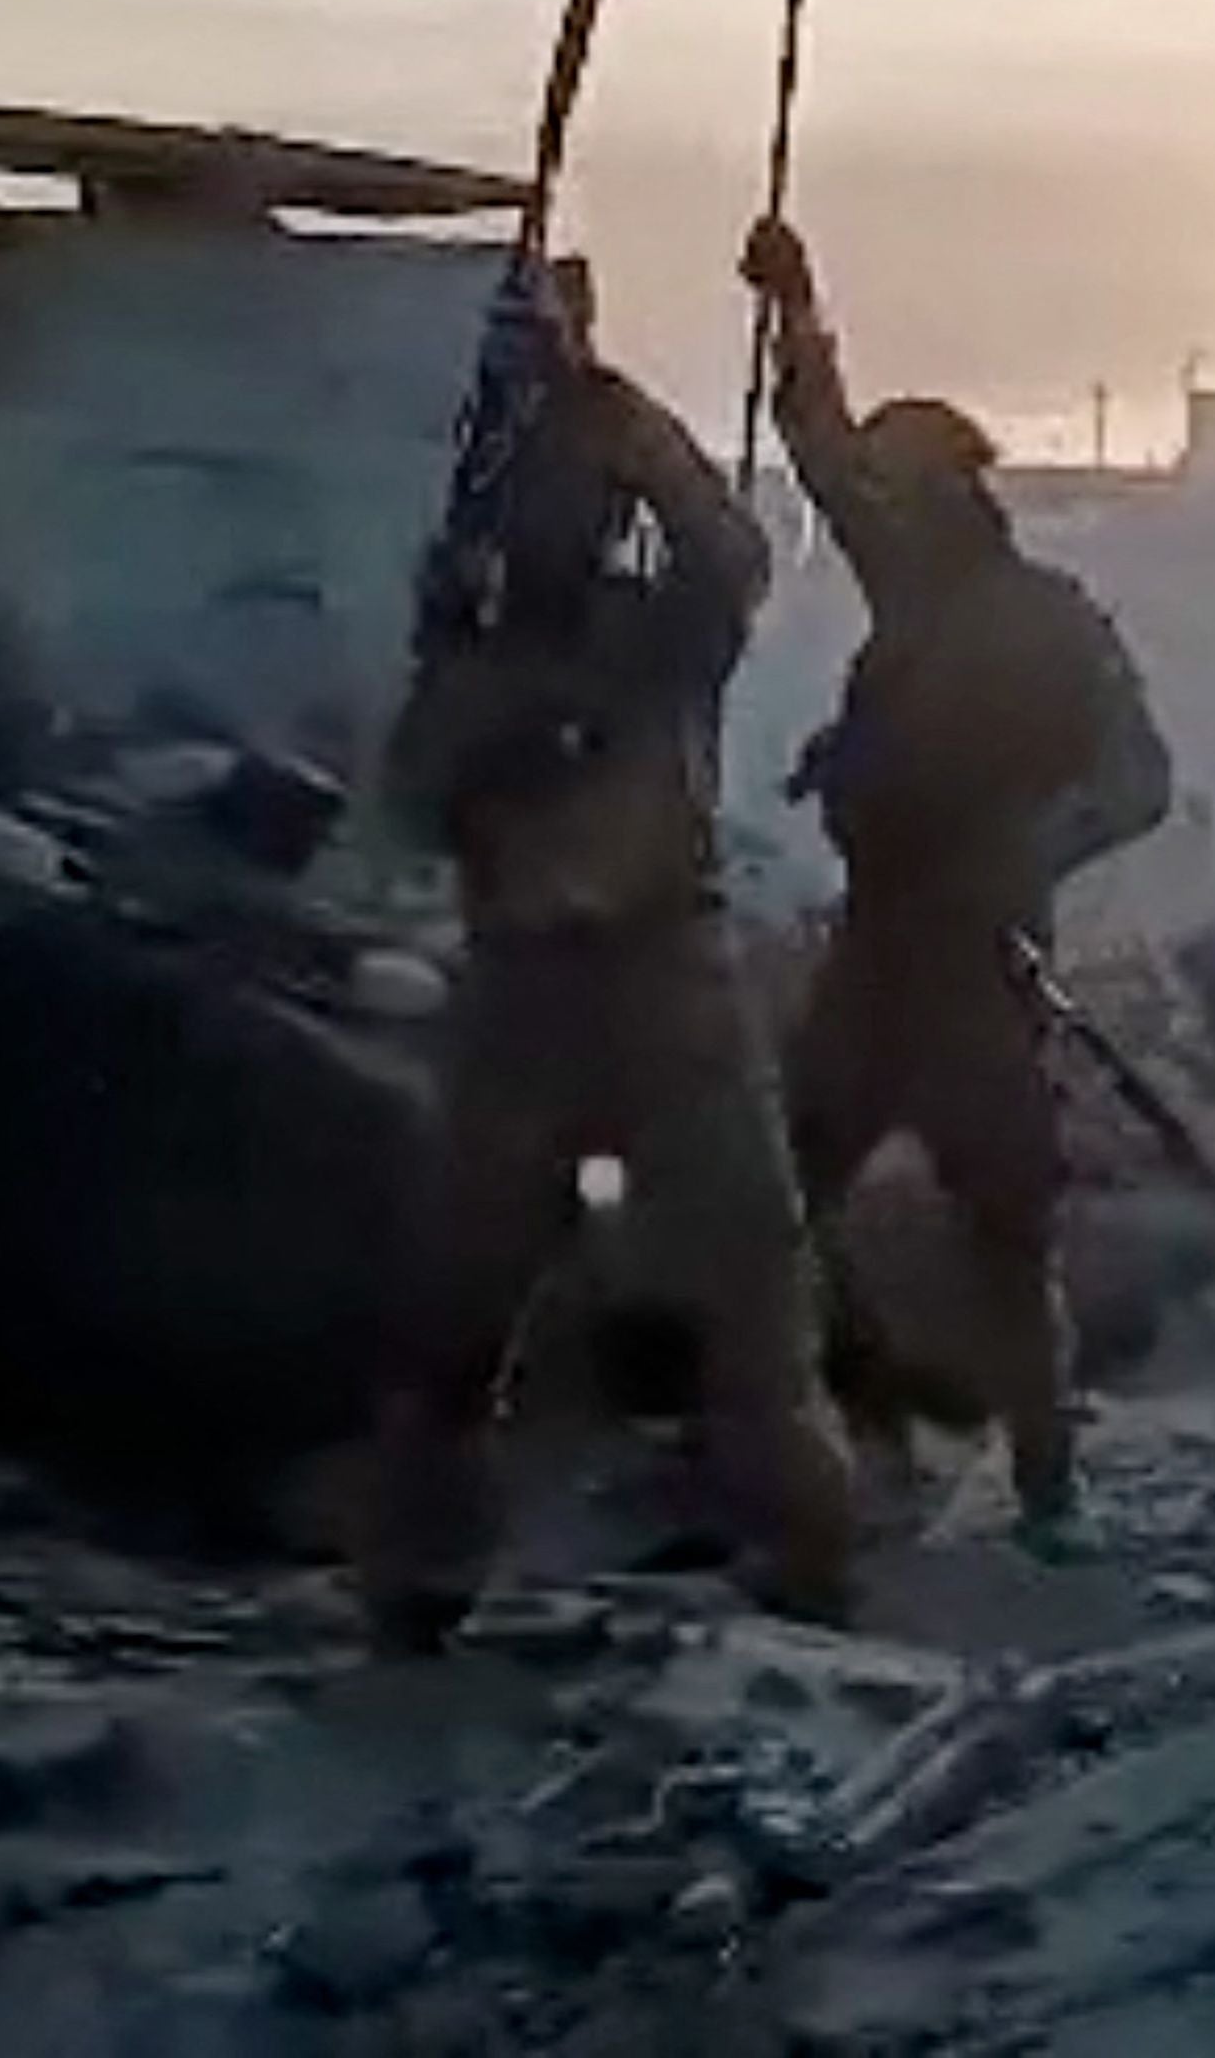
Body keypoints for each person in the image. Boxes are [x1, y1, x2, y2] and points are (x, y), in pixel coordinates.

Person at [358, 256, 859, 1642]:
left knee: (754, 1287)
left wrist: (615, 408)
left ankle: (807, 1556)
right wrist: (491, 714)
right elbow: (410, 796)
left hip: (664, 975)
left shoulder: (661, 633)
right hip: (522, 991)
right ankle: (417, 1580)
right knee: (457, 1312)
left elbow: (733, 556)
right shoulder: (466, 659)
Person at [740, 216, 1172, 1551]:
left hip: (979, 965)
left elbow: (1138, 781)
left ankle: (1045, 1486)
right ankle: (863, 1423)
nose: (878, 508)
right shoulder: (918, 597)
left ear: (951, 497)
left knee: (1002, 1233)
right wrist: (796, 310)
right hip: (881, 949)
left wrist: (1030, 858)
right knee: (784, 1202)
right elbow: (819, 454)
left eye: (899, 488)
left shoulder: (1048, 623)